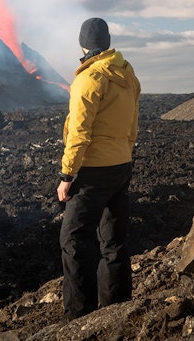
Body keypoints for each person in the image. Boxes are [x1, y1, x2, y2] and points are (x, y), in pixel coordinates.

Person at [56, 17, 141, 321]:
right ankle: (117, 308)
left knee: (74, 239)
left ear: (83, 45)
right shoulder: (127, 75)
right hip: (121, 165)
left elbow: (80, 132)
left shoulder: (89, 78)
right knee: (114, 240)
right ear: (106, 42)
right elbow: (132, 125)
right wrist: (124, 154)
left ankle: (79, 316)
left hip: (92, 171)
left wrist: (67, 176)